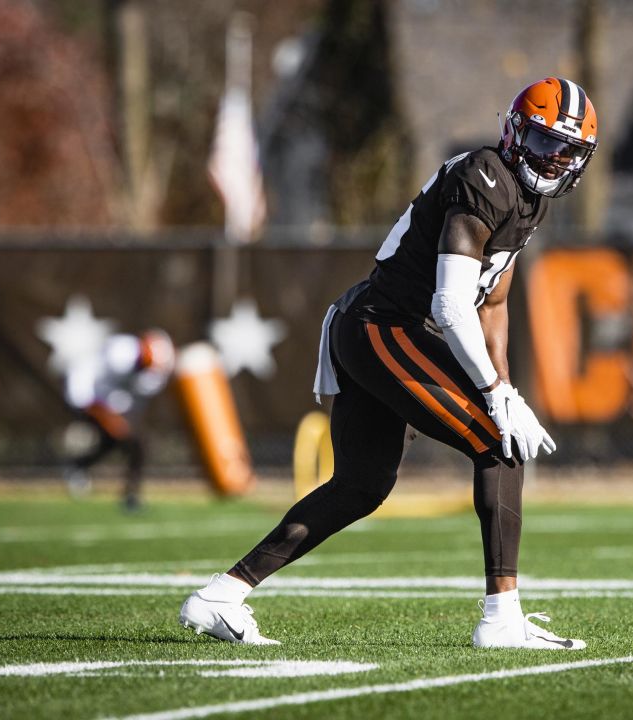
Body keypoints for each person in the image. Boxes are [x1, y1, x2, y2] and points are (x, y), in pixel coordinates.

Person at [180, 78, 599, 649]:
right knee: (498, 443)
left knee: (361, 484)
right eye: (544, 143)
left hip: (386, 327)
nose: (553, 161)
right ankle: (501, 617)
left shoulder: (530, 197)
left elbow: (493, 300)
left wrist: (504, 384)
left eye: (566, 151)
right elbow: (450, 305)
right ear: (513, 132)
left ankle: (221, 595)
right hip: (385, 325)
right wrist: (495, 395)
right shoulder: (486, 176)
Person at [63, 329, 174, 512]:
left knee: (122, 442)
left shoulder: (153, 373)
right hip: (87, 392)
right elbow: (92, 387)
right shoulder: (121, 353)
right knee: (130, 440)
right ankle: (128, 494)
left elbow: (133, 396)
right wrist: (110, 417)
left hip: (112, 400)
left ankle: (79, 467)